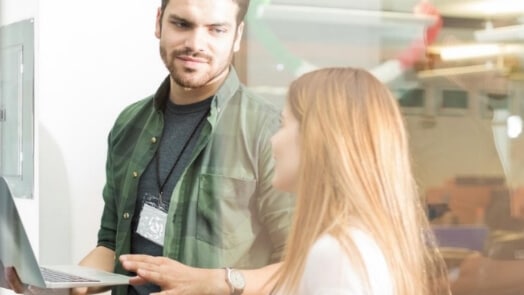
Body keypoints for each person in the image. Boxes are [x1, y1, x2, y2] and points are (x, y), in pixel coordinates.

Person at [4, 0, 293, 295]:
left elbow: (299, 265)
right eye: (182, 24)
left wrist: (219, 282)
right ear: (158, 22)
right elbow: (111, 245)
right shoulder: (129, 124)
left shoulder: (271, 132)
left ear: (237, 36)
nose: (195, 44)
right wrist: (56, 287)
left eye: (216, 30)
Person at [268, 67, 450, 294]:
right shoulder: (357, 245)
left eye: (283, 124)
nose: (273, 142)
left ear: (317, 136)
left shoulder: (338, 253)